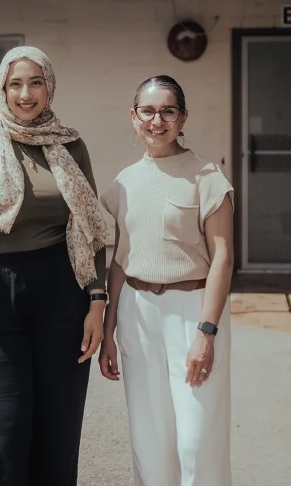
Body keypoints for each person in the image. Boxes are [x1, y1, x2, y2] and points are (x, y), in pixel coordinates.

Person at [0, 46, 111, 486]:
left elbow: (89, 225)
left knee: (58, 429)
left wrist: (97, 302)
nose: (26, 93)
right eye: (15, 83)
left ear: (49, 87)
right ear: (2, 87)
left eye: (35, 81)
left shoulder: (69, 144)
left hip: (63, 290)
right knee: (2, 430)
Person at [98, 75, 235, 486]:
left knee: (197, 438)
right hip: (136, 314)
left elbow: (223, 258)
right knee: (149, 437)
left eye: (167, 111)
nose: (157, 121)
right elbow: (121, 260)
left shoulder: (207, 178)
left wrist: (206, 333)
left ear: (182, 118)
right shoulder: (124, 181)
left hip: (193, 312)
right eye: (148, 111)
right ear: (133, 116)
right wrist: (109, 332)